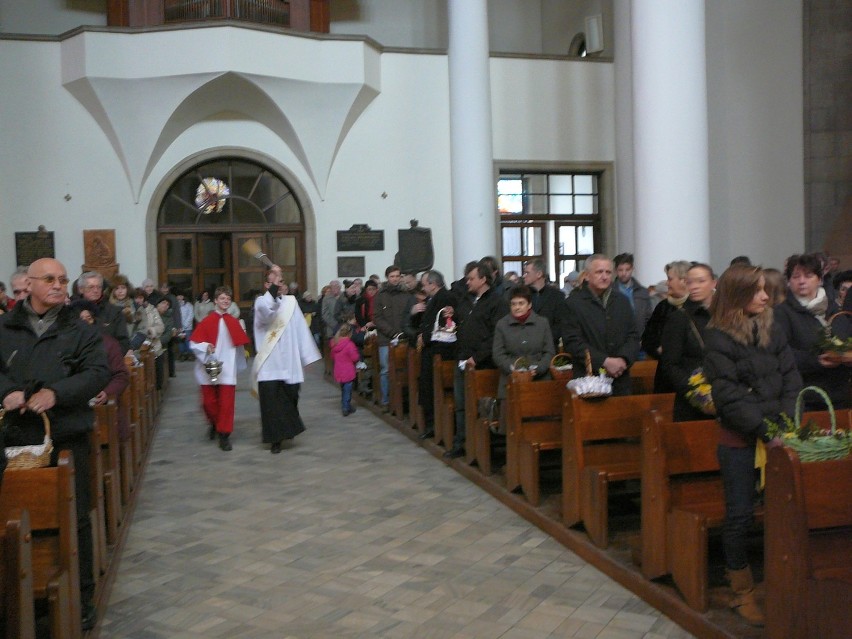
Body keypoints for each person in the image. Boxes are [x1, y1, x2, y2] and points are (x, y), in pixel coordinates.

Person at [0, 258, 110, 631]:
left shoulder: (79, 329)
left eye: (63, 280)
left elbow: (97, 372)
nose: (59, 285)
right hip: (15, 440)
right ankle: (17, 592)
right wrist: (7, 392)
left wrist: (56, 393)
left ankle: (81, 598)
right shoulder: (5, 327)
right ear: (27, 285)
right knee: (15, 518)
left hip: (65, 435)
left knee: (73, 517)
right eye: (50, 279)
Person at [703, 264, 801, 626]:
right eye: (757, 290)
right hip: (740, 441)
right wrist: (765, 430)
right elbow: (729, 396)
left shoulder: (771, 327)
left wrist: (787, 425)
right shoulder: (717, 337)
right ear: (737, 295)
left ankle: (776, 582)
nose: (765, 296)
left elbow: (791, 377)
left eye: (765, 289)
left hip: (779, 435)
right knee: (741, 516)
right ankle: (740, 590)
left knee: (780, 513)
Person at [253, 265, 321, 454]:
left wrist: (306, 357)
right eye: (274, 282)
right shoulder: (260, 302)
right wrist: (275, 280)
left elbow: (301, 329)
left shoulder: (291, 302)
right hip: (270, 363)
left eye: (281, 282)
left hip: (290, 361)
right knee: (271, 403)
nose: (278, 285)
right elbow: (269, 311)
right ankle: (275, 439)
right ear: (266, 285)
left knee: (291, 397)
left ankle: (287, 429)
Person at [446, 261, 508, 459]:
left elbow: (495, 334)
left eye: (471, 278)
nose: (467, 282)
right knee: (461, 404)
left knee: (481, 406)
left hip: (483, 363)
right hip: (462, 358)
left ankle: (481, 447)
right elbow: (462, 325)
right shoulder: (465, 300)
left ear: (483, 279)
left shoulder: (497, 302)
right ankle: (461, 443)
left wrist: (477, 357)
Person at [773, 253, 850, 409]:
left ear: (819, 279)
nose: (802, 281)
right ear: (788, 281)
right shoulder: (781, 313)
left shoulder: (835, 309)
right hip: (805, 396)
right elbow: (780, 353)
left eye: (808, 276)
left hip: (840, 394)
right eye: (795, 277)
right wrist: (815, 360)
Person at [561, 254, 640, 396]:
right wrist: (604, 361)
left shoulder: (622, 301)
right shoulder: (574, 303)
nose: (604, 276)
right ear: (587, 275)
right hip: (588, 381)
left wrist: (623, 359)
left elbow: (633, 335)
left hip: (620, 378)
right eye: (599, 272)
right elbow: (572, 341)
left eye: (608, 272)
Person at [190, 286, 250, 451]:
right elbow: (194, 343)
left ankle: (224, 435)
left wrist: (238, 361)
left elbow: (239, 345)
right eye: (222, 298)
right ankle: (215, 423)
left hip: (228, 366)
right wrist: (206, 347)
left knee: (226, 403)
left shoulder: (233, 322)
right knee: (209, 402)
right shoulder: (207, 321)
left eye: (228, 299)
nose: (225, 301)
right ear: (215, 301)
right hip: (208, 366)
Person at [492, 285, 555, 429]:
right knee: (512, 426)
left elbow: (549, 352)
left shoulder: (542, 323)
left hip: (538, 381)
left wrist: (537, 368)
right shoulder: (502, 325)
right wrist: (515, 369)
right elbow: (498, 354)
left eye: (521, 303)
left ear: (529, 305)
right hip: (511, 380)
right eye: (513, 304)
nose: (517, 307)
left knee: (539, 426)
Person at [660, 263, 716, 421]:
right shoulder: (679, 318)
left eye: (701, 281)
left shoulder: (724, 315)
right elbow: (670, 364)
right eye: (690, 282)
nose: (695, 287)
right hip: (691, 400)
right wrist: (696, 392)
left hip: (724, 395)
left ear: (713, 283)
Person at [416, 270, 456, 439]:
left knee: (432, 388)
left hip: (437, 351)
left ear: (433, 284)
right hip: (431, 351)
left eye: (425, 284)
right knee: (427, 387)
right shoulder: (435, 298)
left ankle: (434, 425)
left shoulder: (444, 298)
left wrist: (424, 337)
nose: (423, 288)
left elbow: (441, 325)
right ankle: (431, 424)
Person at [641, 260, 691, 393]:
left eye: (670, 279)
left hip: (692, 373)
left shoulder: (697, 307)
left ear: (684, 280)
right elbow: (647, 338)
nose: (667, 283)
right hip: (666, 376)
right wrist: (658, 349)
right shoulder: (663, 307)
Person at [372, 265, 412, 409]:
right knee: (386, 369)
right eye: (392, 276)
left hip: (403, 337)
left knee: (404, 368)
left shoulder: (407, 295)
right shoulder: (380, 296)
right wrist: (391, 333)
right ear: (387, 277)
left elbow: (409, 315)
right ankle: (386, 399)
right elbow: (377, 317)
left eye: (397, 276)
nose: (395, 279)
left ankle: (403, 400)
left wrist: (403, 332)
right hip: (386, 338)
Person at [78, 271, 130, 353]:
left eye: (98, 287)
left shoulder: (115, 312)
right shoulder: (72, 311)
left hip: (108, 361)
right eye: (91, 287)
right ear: (81, 289)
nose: (96, 290)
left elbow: (123, 342)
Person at [522, 258, 565, 349]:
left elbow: (560, 324)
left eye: (527, 273)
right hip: (525, 346)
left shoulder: (557, 296)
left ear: (539, 274)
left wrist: (544, 339)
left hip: (549, 347)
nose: (524, 276)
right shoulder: (522, 295)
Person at [613, 252, 653, 340]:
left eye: (627, 269)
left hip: (640, 339)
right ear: (616, 271)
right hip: (617, 341)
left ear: (632, 269)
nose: (624, 273)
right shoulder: (610, 291)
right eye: (620, 270)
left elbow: (648, 317)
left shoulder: (642, 291)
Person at [330, 323, 360, 416]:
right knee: (348, 390)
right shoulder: (350, 345)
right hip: (348, 371)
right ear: (349, 334)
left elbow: (332, 356)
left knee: (343, 389)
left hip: (339, 371)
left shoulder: (335, 343)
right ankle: (346, 407)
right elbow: (355, 357)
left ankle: (345, 404)